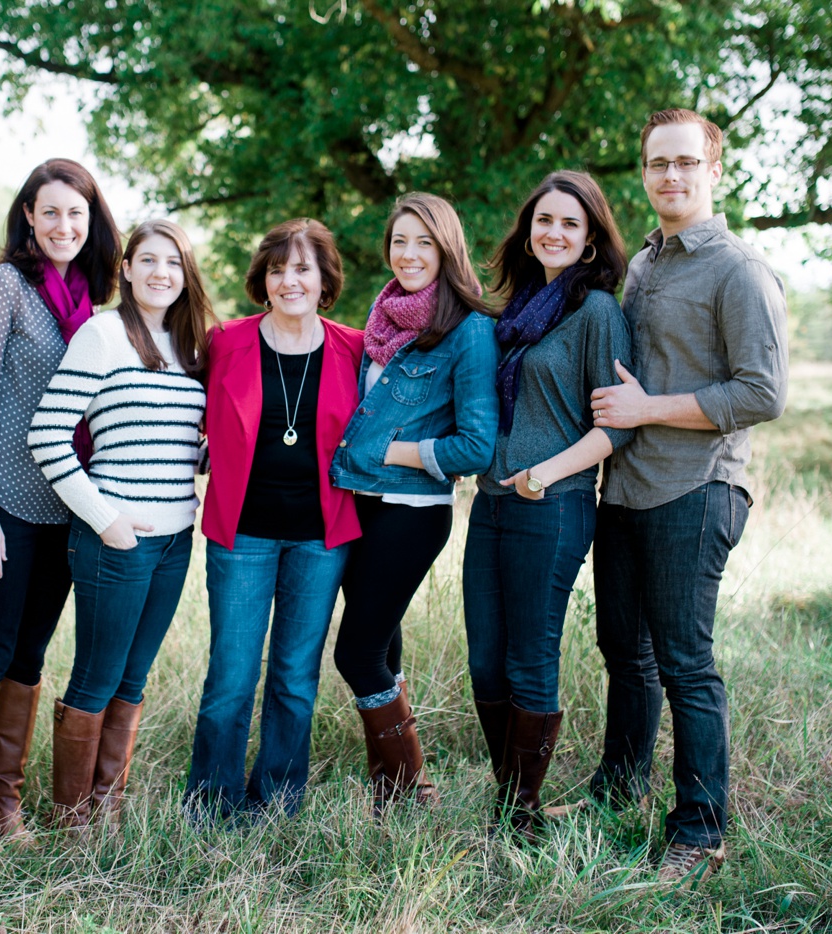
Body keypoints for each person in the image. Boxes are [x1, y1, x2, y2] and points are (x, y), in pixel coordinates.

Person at [571, 108, 788, 882]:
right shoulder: (645, 265)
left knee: (684, 663)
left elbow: (763, 392)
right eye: (658, 163)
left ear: (713, 170)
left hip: (695, 489)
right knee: (621, 653)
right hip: (626, 487)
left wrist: (649, 411)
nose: (670, 176)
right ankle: (618, 787)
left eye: (685, 163)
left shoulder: (738, 270)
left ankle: (700, 831)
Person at [0, 158, 121, 848]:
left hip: (67, 508)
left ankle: (7, 804)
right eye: (50, 212)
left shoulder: (90, 302)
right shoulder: (3, 287)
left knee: (30, 656)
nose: (63, 225)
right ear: (28, 215)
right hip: (7, 504)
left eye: (75, 213)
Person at [28, 219, 214, 828]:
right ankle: (71, 818)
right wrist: (108, 522)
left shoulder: (193, 345)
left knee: (133, 678)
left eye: (174, 263)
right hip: (115, 541)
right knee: (98, 675)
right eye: (149, 261)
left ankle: (107, 803)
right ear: (127, 270)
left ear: (186, 275)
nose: (162, 273)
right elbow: (48, 436)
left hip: (173, 541)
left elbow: (188, 443)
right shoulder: (103, 335)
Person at [462, 171, 632, 834]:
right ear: (528, 231)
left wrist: (541, 474)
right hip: (492, 503)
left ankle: (522, 814)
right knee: (485, 657)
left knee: (529, 657)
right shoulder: (512, 313)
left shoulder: (597, 314)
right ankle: (509, 798)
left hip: (552, 504)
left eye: (569, 223)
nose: (554, 232)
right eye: (544, 220)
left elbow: (616, 425)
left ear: (589, 239)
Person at [184, 218, 364, 822]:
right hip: (243, 534)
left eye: (304, 268)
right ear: (263, 278)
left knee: (293, 675)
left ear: (324, 280)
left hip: (321, 536)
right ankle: (212, 801)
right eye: (279, 268)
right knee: (232, 675)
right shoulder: (223, 344)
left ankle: (279, 799)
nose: (291, 280)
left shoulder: (354, 349)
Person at [328, 193, 498, 813]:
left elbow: (477, 446)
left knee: (357, 652)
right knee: (385, 646)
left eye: (424, 242)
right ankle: (393, 791)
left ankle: (410, 785)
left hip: (412, 511)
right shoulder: (382, 322)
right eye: (400, 241)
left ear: (447, 248)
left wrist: (395, 452)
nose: (410, 254)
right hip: (359, 505)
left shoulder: (470, 330)